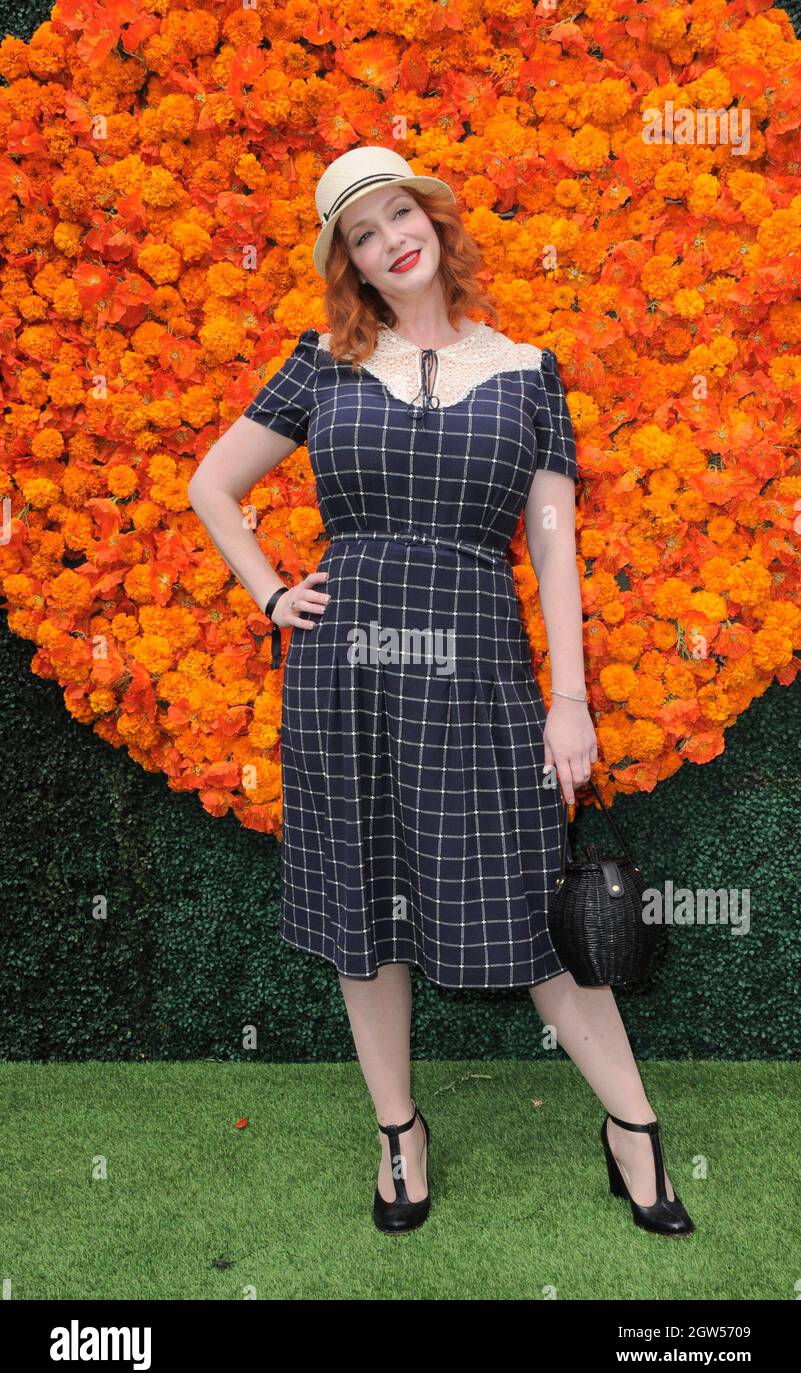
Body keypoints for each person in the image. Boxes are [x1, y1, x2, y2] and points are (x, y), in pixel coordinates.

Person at [188, 146, 694, 1239]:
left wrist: (571, 700)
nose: (387, 242)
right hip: (348, 670)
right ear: (351, 266)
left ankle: (633, 1126)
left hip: (480, 668)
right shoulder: (321, 364)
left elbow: (552, 546)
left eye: (396, 216)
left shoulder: (527, 371)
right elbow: (212, 484)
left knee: (534, 909)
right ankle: (399, 1133)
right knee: (363, 911)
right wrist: (274, 593)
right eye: (360, 236)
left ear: (432, 219)